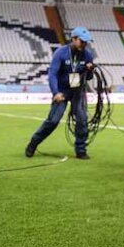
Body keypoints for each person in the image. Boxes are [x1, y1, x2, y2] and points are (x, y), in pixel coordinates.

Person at [25, 27, 95, 160]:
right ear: (73, 39)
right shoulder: (60, 53)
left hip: (77, 91)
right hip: (61, 91)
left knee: (82, 119)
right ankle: (33, 143)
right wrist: (56, 92)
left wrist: (90, 70)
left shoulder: (87, 55)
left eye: (87, 42)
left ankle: (81, 149)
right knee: (53, 121)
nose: (85, 44)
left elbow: (89, 77)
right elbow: (52, 74)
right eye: (82, 41)